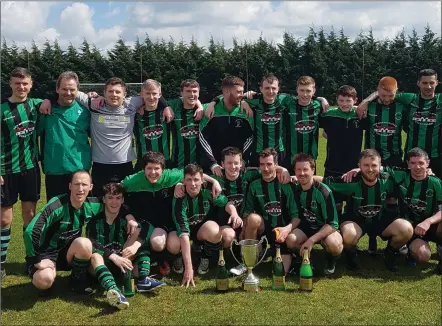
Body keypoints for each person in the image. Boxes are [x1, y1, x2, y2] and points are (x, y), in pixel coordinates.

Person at [121, 151, 222, 276]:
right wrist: (128, 215)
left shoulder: (171, 176)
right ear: (143, 169)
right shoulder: (134, 180)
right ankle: (148, 261)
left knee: (160, 242)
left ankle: (167, 258)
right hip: (144, 222)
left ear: (163, 169)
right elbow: (115, 193)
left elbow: (194, 175)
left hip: (167, 224)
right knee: (155, 242)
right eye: (149, 168)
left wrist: (214, 181)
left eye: (157, 168)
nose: (153, 173)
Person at [318, 149, 414, 272]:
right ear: (359, 166)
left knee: (406, 229)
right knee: (349, 234)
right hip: (357, 220)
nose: (370, 169)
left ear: (380, 166)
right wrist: (298, 177)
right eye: (366, 165)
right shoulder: (351, 181)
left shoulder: (389, 179)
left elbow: (412, 172)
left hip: (381, 220)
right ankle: (351, 257)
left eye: (374, 165)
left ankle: (390, 253)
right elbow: (325, 180)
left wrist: (428, 172)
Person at [87, 183, 164, 309]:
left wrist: (134, 246)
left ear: (122, 200)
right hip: (101, 264)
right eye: (110, 198)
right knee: (95, 256)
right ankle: (114, 291)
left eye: (118, 198)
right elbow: (92, 243)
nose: (114, 202)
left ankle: (144, 280)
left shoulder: (126, 220)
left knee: (138, 238)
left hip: (122, 263)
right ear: (104, 199)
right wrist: (113, 257)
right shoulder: (95, 220)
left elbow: (147, 226)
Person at [357, 69, 442, 178]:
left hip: (435, 156)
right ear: (418, 83)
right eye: (425, 83)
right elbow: (385, 92)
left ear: (437, 83)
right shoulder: (409, 99)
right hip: (411, 156)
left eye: (431, 83)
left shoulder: (440, 100)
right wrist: (366, 101)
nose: (428, 86)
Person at [1, 67, 43, 279]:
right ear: (11, 84)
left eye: (25, 83)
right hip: (5, 171)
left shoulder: (36, 105)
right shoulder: (1, 108)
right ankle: (1, 264)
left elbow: (61, 96)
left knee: (30, 216)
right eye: (17, 83)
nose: (21, 87)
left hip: (30, 170)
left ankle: (31, 260)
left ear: (31, 85)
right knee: (4, 219)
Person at [170, 164, 242, 287]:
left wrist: (234, 213)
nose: (193, 184)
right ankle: (179, 258)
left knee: (217, 231)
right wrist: (189, 268)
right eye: (189, 180)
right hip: (181, 232)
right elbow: (183, 232)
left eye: (196, 180)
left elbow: (226, 203)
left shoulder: (208, 189)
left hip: (202, 231)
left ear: (202, 179)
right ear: (183, 181)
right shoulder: (179, 197)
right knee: (173, 244)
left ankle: (206, 256)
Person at [383, 148, 442, 273]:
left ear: (428, 163)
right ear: (408, 164)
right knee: (422, 255)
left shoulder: (435, 182)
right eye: (413, 163)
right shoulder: (402, 175)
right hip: (409, 226)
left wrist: (428, 222)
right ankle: (399, 251)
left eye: (421, 163)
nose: (417, 167)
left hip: (428, 226)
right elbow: (377, 169)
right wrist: (359, 169)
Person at [242, 148, 300, 274]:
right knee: (252, 218)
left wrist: (286, 229)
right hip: (265, 228)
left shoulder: (285, 184)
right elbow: (247, 211)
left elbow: (296, 216)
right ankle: (250, 259)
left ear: (276, 165)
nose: (265, 169)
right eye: (262, 165)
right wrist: (244, 229)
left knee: (280, 272)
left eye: (269, 164)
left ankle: (289, 255)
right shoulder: (254, 185)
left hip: (282, 231)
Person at [285, 153, 343, 275]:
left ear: (313, 170)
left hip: (325, 228)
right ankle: (306, 259)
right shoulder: (294, 188)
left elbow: (332, 224)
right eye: (298, 170)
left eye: (305, 169)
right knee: (290, 240)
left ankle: (331, 261)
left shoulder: (323, 191)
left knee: (335, 245)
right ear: (294, 171)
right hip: (306, 227)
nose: (301, 173)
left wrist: (311, 240)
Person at [38, 71, 91, 201]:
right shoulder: (45, 110)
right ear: (57, 89)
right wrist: (46, 99)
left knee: (79, 213)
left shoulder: (86, 111)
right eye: (64, 89)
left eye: (72, 89)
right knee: (55, 214)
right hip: (54, 170)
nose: (68, 93)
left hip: (79, 171)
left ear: (77, 90)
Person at [199, 76, 254, 175]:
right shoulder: (209, 109)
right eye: (239, 92)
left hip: (238, 167)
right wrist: (213, 163)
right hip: (215, 168)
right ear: (227, 92)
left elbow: (250, 137)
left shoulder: (246, 109)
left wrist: (244, 161)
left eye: (242, 92)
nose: (242, 95)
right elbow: (202, 138)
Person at [280, 76, 327, 171]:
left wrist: (322, 99)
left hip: (310, 159)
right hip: (288, 159)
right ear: (297, 89)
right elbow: (269, 95)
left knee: (309, 185)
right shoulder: (288, 103)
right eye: (302, 90)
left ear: (314, 90)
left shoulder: (318, 105)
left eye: (308, 91)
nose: (305, 94)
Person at [133, 79, 174, 170]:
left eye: (154, 93)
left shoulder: (167, 111)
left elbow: (188, 99)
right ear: (141, 94)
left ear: (160, 94)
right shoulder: (135, 114)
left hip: (164, 162)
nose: (151, 97)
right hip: (142, 163)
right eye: (147, 93)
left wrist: (166, 106)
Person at [168, 79, 204, 168]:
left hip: (201, 165)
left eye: (195, 91)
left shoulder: (205, 110)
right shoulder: (173, 107)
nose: (192, 94)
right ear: (181, 93)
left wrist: (200, 106)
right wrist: (141, 106)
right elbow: (155, 100)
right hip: (178, 164)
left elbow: (224, 97)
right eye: (188, 91)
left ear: (199, 93)